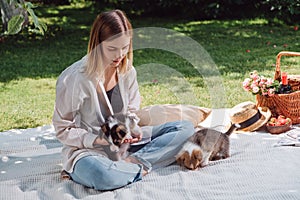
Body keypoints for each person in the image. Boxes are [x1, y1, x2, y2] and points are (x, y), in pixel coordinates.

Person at [52, 9, 194, 191]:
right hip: (89, 151)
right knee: (102, 176)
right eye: (112, 48)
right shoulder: (74, 78)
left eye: (125, 47)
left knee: (185, 129)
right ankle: (129, 168)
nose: (119, 55)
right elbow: (63, 128)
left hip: (123, 146)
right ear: (97, 44)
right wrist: (98, 141)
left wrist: (129, 131)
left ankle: (132, 164)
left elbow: (131, 112)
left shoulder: (128, 71)